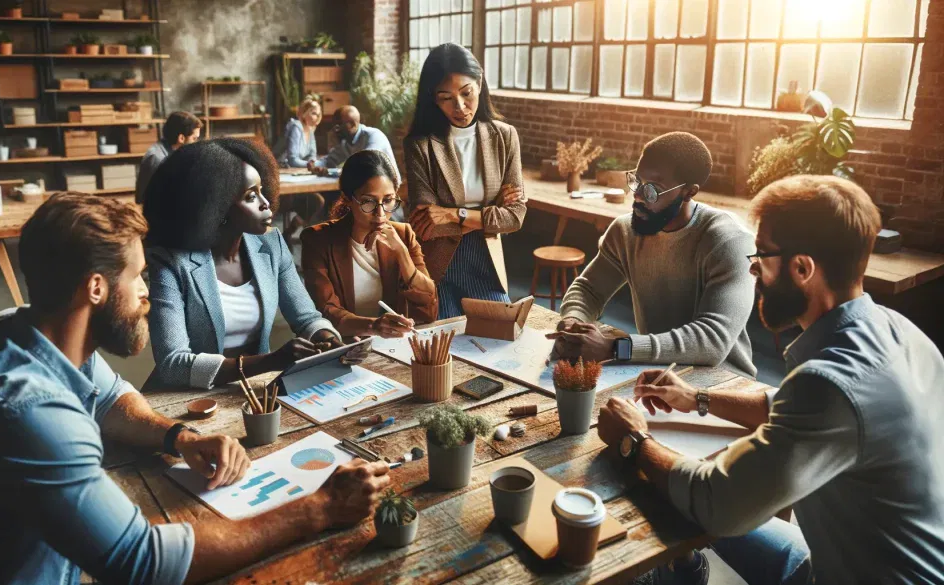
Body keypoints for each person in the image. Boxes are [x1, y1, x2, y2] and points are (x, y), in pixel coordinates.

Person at [0, 193, 390, 585]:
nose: (147, 291)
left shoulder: (21, 328)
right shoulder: (32, 413)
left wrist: (182, 438)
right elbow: (139, 560)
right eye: (137, 276)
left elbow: (111, 398)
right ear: (97, 288)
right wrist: (319, 509)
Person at [598, 175, 944, 584]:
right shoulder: (900, 331)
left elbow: (718, 503)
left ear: (802, 268)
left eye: (761, 253)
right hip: (832, 561)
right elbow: (795, 411)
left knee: (666, 490)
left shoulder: (831, 383)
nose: (753, 267)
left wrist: (634, 440)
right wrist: (697, 398)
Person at [549, 132, 756, 378]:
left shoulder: (729, 241)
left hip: (722, 383)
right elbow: (589, 290)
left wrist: (616, 348)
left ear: (689, 192)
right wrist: (572, 323)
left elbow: (712, 342)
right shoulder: (625, 231)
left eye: (653, 190)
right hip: (656, 374)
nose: (637, 195)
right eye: (636, 181)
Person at [143, 138, 343, 390]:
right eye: (251, 196)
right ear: (217, 208)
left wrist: (329, 341)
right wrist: (269, 361)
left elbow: (306, 319)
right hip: (188, 396)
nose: (266, 202)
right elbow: (173, 364)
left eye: (261, 189)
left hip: (255, 389)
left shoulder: (271, 246)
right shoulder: (172, 263)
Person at [405, 43, 526, 318]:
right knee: (445, 349)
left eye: (466, 93)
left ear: (480, 83)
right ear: (433, 99)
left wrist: (451, 214)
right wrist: (489, 213)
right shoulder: (420, 145)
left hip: (487, 263)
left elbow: (516, 217)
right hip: (438, 268)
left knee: (500, 339)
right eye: (445, 97)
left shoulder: (505, 137)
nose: (459, 107)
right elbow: (426, 228)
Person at [301, 149, 437, 338]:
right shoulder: (318, 241)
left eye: (388, 200)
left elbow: (429, 311)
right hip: (344, 347)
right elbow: (325, 313)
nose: (380, 214)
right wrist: (374, 327)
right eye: (368, 202)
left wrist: (401, 253)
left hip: (393, 348)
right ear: (348, 199)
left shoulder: (403, 235)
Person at [275, 98, 326, 237]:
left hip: (295, 174)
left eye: (318, 113)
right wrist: (311, 165)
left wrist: (311, 163)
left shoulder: (310, 129)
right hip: (282, 175)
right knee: (317, 202)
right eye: (314, 113)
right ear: (304, 113)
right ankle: (291, 233)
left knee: (320, 201)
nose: (317, 116)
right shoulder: (296, 127)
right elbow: (292, 159)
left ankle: (289, 233)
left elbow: (312, 155)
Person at [308, 105, 399, 179]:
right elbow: (329, 160)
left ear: (352, 124)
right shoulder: (346, 143)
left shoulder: (374, 136)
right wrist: (314, 164)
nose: (336, 131)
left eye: (338, 127)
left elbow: (363, 165)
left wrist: (330, 171)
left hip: (387, 188)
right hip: (367, 188)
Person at [135, 110, 202, 203]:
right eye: (194, 138)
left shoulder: (171, 149)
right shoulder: (158, 160)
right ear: (181, 138)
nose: (197, 143)